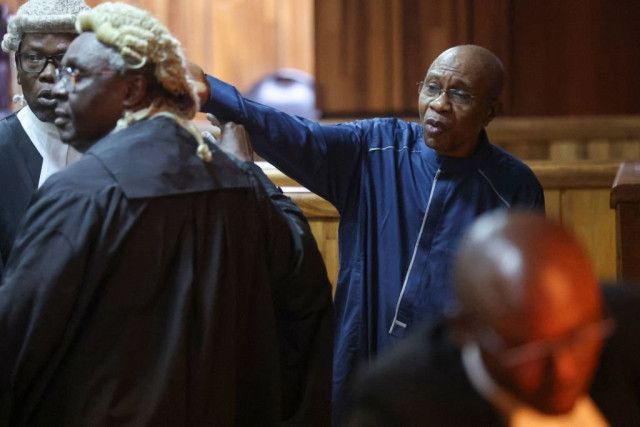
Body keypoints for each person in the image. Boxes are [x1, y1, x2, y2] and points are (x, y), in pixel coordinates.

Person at [0, 3, 332, 425]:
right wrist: (251, 172)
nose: (58, 87)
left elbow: (18, 347)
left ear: (133, 91)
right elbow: (305, 297)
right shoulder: (240, 183)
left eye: (74, 73)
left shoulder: (79, 194)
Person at [189, 44, 546, 411]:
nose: (440, 104)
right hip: (362, 361)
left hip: (453, 384)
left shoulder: (514, 187)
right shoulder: (376, 147)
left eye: (459, 94)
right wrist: (214, 94)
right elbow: (298, 136)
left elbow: (520, 308)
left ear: (491, 111)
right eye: (433, 88)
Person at [347, 211, 640, 426]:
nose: (562, 372)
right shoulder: (399, 405)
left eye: (576, 338)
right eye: (528, 351)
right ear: (464, 330)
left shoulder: (627, 323)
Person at [0, 0, 90, 275]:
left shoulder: (115, 147)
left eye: (64, 61)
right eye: (34, 59)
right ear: (16, 65)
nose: (49, 74)